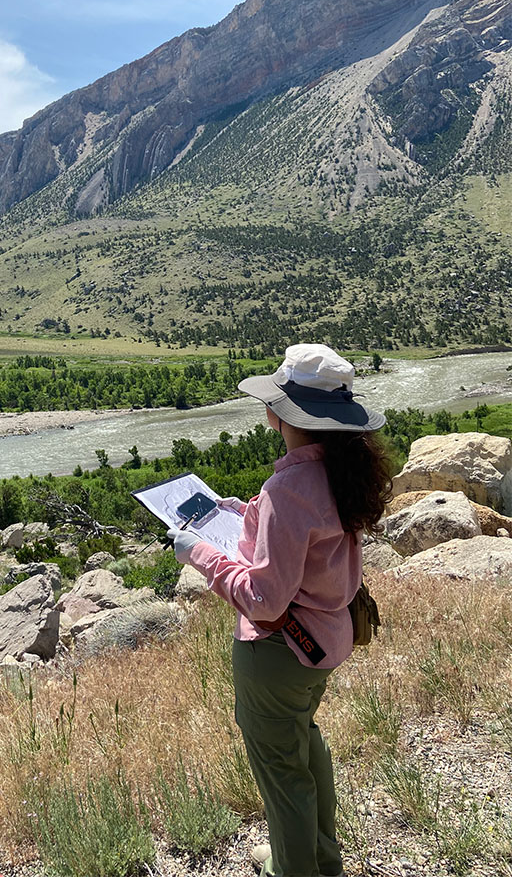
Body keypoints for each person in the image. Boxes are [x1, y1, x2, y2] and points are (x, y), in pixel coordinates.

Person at [167, 343, 391, 877]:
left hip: (279, 652)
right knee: (304, 746)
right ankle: (319, 859)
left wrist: (196, 551)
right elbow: (306, 538)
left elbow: (265, 602)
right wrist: (244, 513)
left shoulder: (290, 486)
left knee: (281, 772)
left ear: (279, 412)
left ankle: (295, 868)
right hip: (323, 644)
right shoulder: (340, 471)